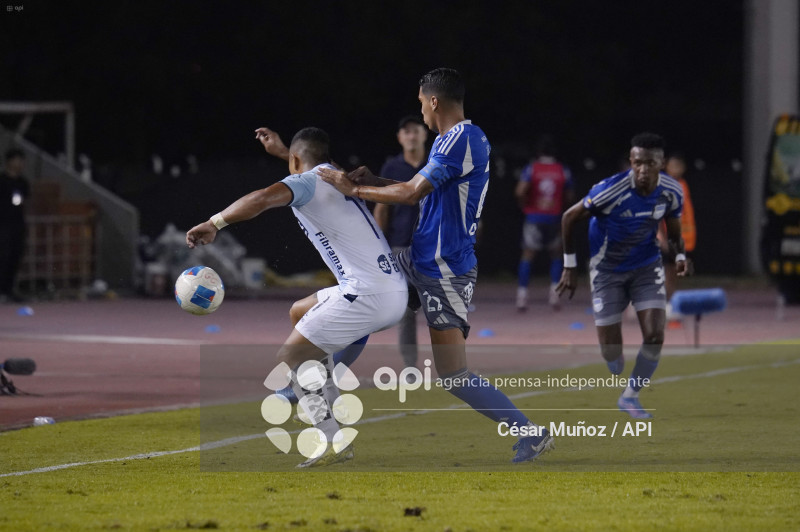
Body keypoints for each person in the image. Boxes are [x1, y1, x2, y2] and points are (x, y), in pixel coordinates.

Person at [319, 67, 554, 463]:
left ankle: (531, 433)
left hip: (445, 271)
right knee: (363, 303)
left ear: (433, 101)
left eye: (421, 105)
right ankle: (312, 384)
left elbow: (412, 194)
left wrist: (355, 189)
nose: (421, 113)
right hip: (418, 258)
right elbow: (425, 192)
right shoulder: (451, 140)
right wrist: (375, 179)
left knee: (454, 376)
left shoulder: (463, 138)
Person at [186, 127, 407, 467]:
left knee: (291, 355)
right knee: (299, 311)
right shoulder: (334, 174)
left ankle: (331, 440)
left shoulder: (305, 182)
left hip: (367, 293)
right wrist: (284, 152)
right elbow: (310, 161)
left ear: (295, 160)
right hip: (391, 288)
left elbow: (261, 198)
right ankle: (328, 398)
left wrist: (214, 223)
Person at [557, 132, 690, 419]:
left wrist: (680, 256)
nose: (642, 169)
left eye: (649, 163)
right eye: (637, 162)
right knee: (611, 352)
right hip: (607, 272)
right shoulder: (610, 190)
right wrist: (569, 266)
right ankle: (613, 356)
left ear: (661, 164)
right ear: (631, 161)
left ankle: (630, 396)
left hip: (646, 267)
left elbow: (673, 228)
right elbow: (569, 217)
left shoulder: (671, 190)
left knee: (655, 335)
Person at [372, 115, 427, 369]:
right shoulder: (392, 168)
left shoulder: (434, 164)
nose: (411, 136)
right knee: (406, 309)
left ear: (424, 134)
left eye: (416, 130)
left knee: (442, 307)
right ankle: (410, 366)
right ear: (399, 137)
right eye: (406, 132)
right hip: (401, 247)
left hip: (434, 248)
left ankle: (452, 363)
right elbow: (382, 208)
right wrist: (378, 244)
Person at [514, 135, 574, 312]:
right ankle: (555, 294)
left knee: (528, 255)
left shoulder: (532, 168)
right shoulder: (562, 169)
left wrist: (525, 206)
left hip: (534, 217)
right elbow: (570, 195)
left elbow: (520, 191)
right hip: (554, 217)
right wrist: (561, 207)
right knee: (556, 255)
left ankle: (522, 296)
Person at [658, 153, 696, 310]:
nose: (676, 169)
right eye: (673, 165)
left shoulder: (683, 185)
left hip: (680, 239)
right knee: (667, 274)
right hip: (667, 238)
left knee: (675, 274)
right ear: (666, 166)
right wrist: (662, 238)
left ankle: (671, 305)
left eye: (679, 166)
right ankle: (667, 306)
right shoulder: (664, 186)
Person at [0, 149, 30, 303]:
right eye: (17, 160)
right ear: (9, 161)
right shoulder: (1, 180)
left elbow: (25, 200)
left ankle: (9, 289)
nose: (20, 164)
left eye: (22, 160)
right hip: (2, 223)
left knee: (15, 255)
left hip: (17, 223)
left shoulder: (23, 182)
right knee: (3, 256)